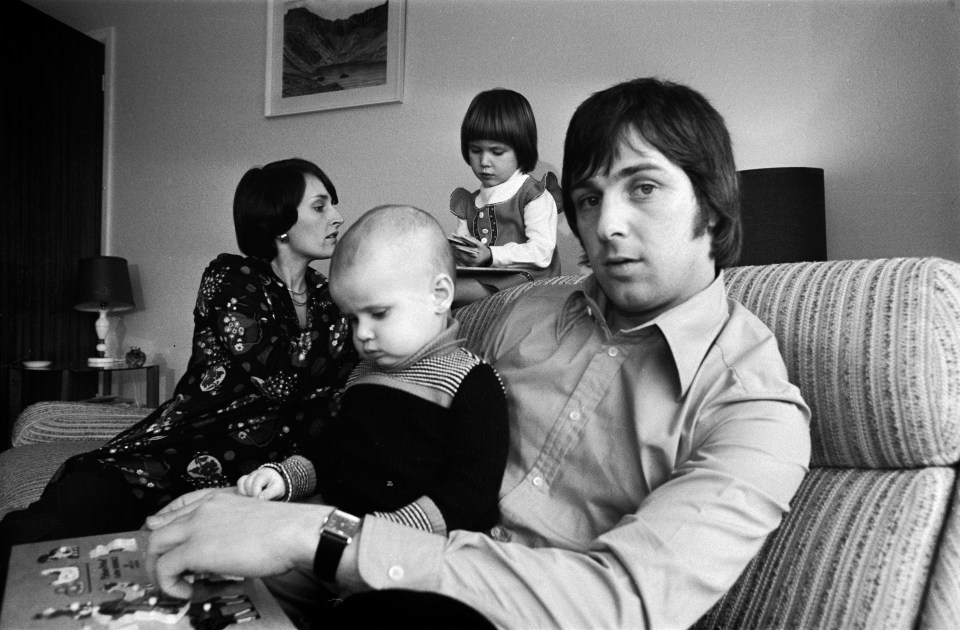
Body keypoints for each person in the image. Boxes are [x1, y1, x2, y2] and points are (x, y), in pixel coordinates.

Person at [144, 78, 812, 630]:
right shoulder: (523, 312)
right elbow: (398, 391)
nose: (606, 224)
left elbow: (625, 603)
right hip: (377, 579)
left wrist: (313, 533)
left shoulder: (755, 409)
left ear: (715, 210)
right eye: (588, 198)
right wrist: (254, 510)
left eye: (643, 188)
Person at [0, 158, 358, 546]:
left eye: (333, 205)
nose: (337, 217)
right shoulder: (232, 278)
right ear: (278, 221)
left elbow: (339, 390)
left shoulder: (330, 296)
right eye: (321, 206)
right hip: (179, 450)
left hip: (257, 476)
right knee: (52, 531)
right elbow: (281, 380)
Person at [237, 204, 509, 538]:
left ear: (439, 296)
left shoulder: (469, 381)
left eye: (378, 313)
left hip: (417, 547)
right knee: (250, 552)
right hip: (343, 530)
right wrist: (287, 476)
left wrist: (381, 534)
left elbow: (472, 492)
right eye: (353, 319)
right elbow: (335, 450)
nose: (362, 333)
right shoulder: (363, 373)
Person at [449, 88, 561, 306]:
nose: (484, 162)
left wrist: (491, 255)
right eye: (475, 150)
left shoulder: (533, 195)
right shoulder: (469, 202)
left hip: (526, 279)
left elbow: (541, 252)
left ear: (521, 149)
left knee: (441, 292)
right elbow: (463, 248)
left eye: (497, 152)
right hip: (487, 277)